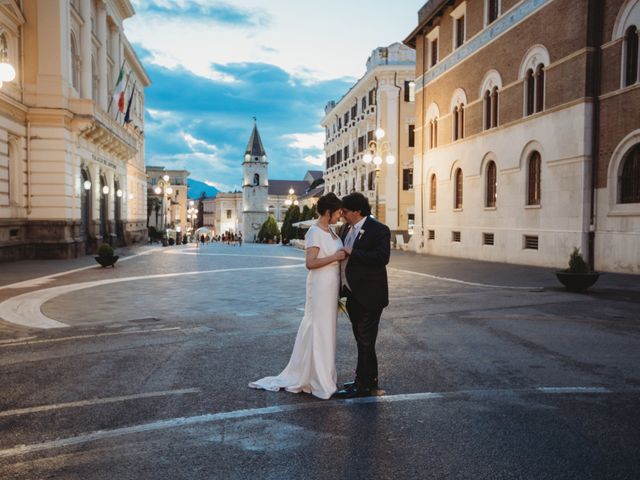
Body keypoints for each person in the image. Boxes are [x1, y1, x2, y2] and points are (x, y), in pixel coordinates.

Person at [249, 193, 346, 399]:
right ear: (329, 212)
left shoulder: (332, 232)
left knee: (327, 330)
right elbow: (310, 263)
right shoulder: (314, 232)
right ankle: (316, 377)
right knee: (318, 328)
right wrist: (334, 257)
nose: (341, 216)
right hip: (320, 286)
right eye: (338, 212)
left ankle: (322, 374)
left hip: (331, 286)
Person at [334, 192, 390, 399]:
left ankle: (363, 384)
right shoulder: (345, 228)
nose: (342, 215)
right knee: (362, 340)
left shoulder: (379, 229)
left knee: (365, 340)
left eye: (345, 211)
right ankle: (368, 379)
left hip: (370, 295)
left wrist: (352, 252)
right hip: (351, 294)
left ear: (357, 211)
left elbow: (382, 257)